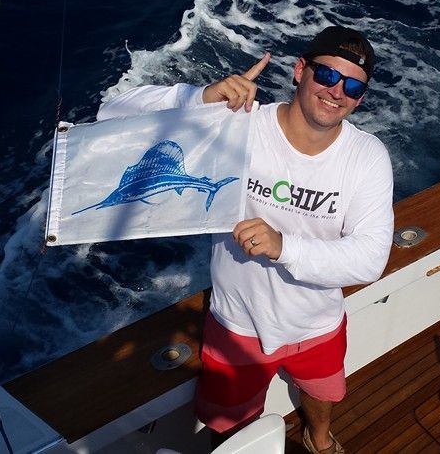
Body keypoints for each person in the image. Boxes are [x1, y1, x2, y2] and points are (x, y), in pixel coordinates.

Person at [97, 26, 394, 454]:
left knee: (324, 394)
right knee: (228, 425)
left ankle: (320, 440)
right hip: (237, 324)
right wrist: (200, 100)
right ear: (299, 71)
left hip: (319, 325)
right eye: (327, 76)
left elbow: (369, 260)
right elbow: (111, 113)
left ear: (361, 97)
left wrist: (284, 246)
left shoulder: (367, 156)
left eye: (352, 86)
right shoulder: (237, 125)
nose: (337, 92)